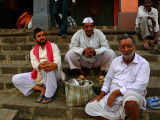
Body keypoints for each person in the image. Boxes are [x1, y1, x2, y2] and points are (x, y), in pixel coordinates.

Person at [85, 33, 150, 120]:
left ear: (135, 47)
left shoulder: (143, 63)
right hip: (112, 99)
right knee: (90, 107)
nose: (126, 49)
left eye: (129, 46)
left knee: (130, 102)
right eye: (123, 47)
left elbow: (139, 86)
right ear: (120, 49)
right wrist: (101, 95)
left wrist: (116, 92)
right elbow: (108, 80)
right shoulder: (116, 61)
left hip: (131, 96)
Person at [12, 27, 63, 104]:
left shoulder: (53, 46)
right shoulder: (33, 51)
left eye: (43, 35)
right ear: (35, 39)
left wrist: (52, 65)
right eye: (39, 36)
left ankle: (50, 94)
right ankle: (42, 89)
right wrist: (39, 66)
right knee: (15, 79)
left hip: (54, 72)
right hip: (39, 74)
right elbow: (34, 63)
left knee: (47, 68)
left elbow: (58, 60)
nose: (42, 37)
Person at [64, 17, 116, 84]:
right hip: (83, 60)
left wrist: (95, 52)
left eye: (91, 26)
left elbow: (106, 46)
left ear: (94, 26)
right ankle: (82, 73)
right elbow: (72, 47)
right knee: (69, 54)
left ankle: (100, 74)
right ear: (83, 28)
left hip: (97, 60)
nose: (89, 28)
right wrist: (83, 51)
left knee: (110, 52)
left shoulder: (99, 33)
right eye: (87, 26)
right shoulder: (78, 33)